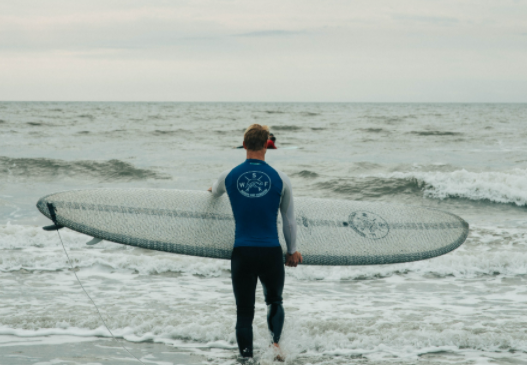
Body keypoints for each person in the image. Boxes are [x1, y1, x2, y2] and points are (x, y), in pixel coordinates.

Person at [208, 124, 302, 360]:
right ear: (266, 146)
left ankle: (247, 359)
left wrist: (212, 190)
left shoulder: (228, 176)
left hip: (243, 253)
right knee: (274, 301)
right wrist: (292, 251)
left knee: (244, 312)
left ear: (244, 144)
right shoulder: (282, 179)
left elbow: (215, 192)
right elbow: (289, 221)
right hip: (271, 252)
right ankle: (276, 346)